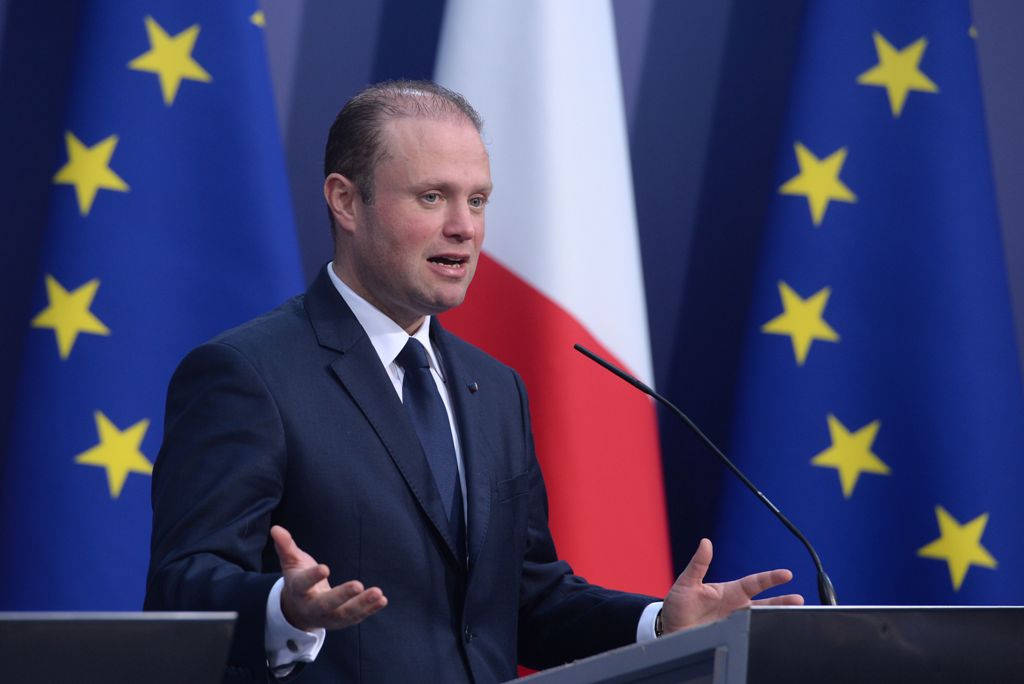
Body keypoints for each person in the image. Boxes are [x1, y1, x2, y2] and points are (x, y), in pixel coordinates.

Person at [145, 80, 802, 683]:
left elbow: (527, 601)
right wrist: (286, 609)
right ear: (346, 201)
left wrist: (659, 624)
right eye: (432, 197)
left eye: (478, 200)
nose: (464, 227)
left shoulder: (494, 390)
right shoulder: (249, 374)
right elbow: (180, 587)